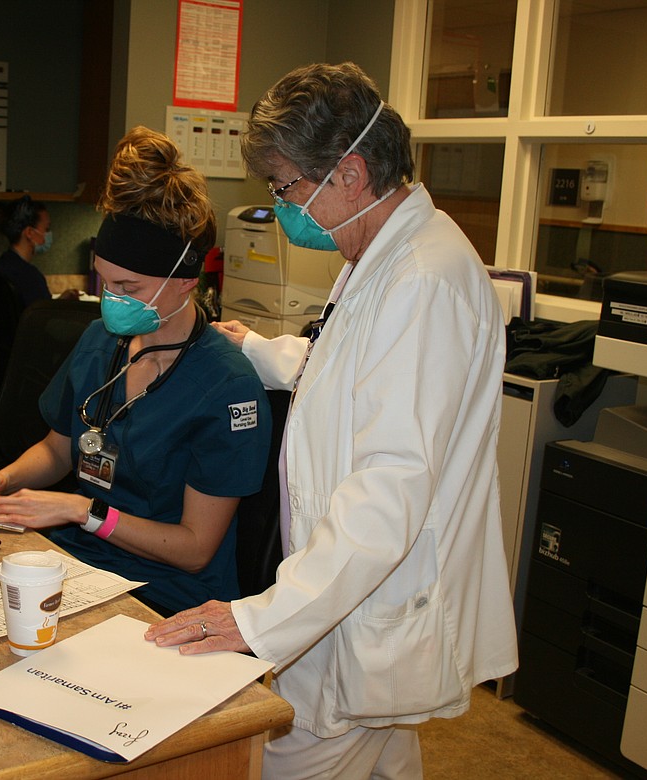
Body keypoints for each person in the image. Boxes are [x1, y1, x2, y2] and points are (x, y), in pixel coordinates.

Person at [145, 62, 519, 778]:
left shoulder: (423, 282)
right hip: (353, 604)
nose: (284, 205)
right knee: (383, 760)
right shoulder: (383, 255)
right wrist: (261, 351)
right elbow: (353, 367)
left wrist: (257, 621)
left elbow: (389, 490)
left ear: (347, 174)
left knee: (281, 760)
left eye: (286, 187)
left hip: (362, 609)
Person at [0, 126, 271, 616]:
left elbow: (194, 549)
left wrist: (83, 510)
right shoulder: (101, 341)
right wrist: (5, 481)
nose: (112, 301)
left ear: (186, 279)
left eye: (129, 287)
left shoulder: (227, 389)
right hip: (82, 568)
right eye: (104, 282)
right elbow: (58, 448)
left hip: (165, 597)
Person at [0, 195, 73, 309]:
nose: (48, 234)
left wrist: (60, 301)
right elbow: (44, 319)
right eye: (46, 229)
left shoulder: (2, 265)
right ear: (29, 233)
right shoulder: (29, 277)